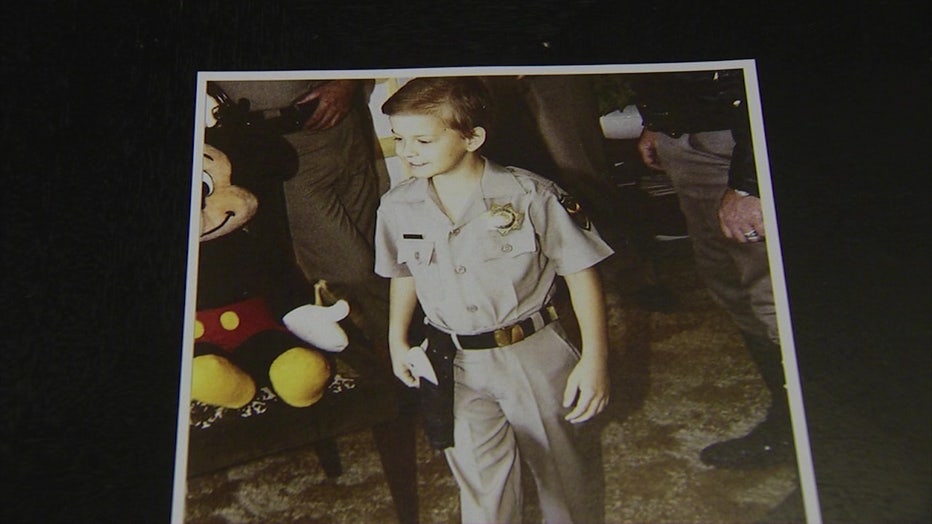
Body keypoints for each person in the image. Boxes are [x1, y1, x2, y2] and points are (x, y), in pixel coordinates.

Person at [374, 77, 612, 523]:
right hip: (452, 360)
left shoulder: (531, 195)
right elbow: (402, 272)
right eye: (398, 139)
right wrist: (396, 340)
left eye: (422, 139)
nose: (407, 151)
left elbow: (582, 273)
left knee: (563, 476)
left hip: (534, 355)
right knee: (481, 485)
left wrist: (595, 358)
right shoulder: (397, 206)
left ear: (472, 137)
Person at [633, 69, 794, 469]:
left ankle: (818, 443)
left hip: (736, 141)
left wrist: (750, 182)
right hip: (687, 137)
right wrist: (659, 120)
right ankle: (788, 421)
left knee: (771, 295)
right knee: (730, 287)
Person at [209, 79, 390, 350]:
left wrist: (347, 83)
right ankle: (390, 354)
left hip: (345, 125)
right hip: (276, 144)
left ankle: (403, 351)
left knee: (379, 256)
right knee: (349, 270)